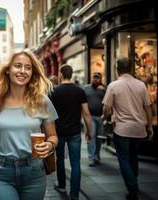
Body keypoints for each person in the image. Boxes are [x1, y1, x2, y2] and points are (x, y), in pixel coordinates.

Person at [0, 49, 58, 200]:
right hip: (1, 172)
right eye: (18, 66)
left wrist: (50, 145)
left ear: (32, 72)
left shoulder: (42, 101)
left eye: (28, 67)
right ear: (7, 70)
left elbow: (53, 136)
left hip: (34, 172)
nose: (23, 71)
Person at [102, 57, 153, 200]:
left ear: (117, 69)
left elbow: (107, 108)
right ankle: (134, 183)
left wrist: (105, 117)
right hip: (138, 129)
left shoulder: (114, 85)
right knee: (133, 157)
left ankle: (132, 188)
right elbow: (148, 107)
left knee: (124, 159)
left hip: (122, 129)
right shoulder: (141, 85)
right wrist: (150, 126)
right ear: (131, 68)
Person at [49, 64, 92, 200]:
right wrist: (89, 131)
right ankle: (74, 194)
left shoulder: (54, 91)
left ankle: (61, 185)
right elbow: (86, 113)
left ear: (61, 74)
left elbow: (48, 114)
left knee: (60, 159)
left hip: (59, 132)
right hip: (75, 132)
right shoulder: (79, 91)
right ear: (71, 74)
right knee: (75, 162)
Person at [84, 72, 106, 166]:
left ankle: (97, 155)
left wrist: (104, 91)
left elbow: (109, 101)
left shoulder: (104, 89)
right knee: (91, 136)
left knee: (99, 138)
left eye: (97, 78)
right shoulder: (86, 88)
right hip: (90, 117)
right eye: (94, 77)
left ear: (100, 79)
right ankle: (91, 157)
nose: (95, 79)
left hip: (101, 117)